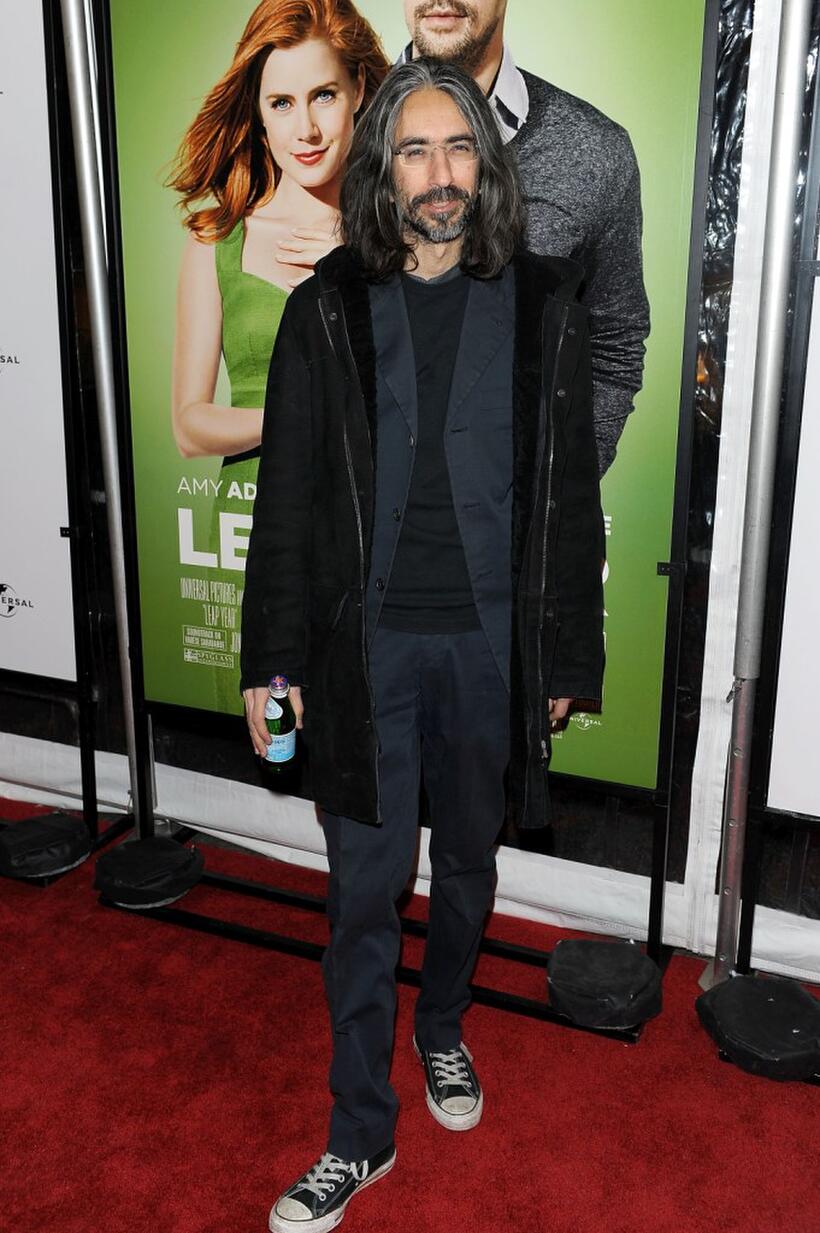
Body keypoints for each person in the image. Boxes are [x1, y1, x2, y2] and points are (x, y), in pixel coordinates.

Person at [241, 56, 605, 1232]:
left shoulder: (548, 305)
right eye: (414, 151)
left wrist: (566, 662)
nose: (440, 176)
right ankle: (358, 1132)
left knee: (464, 874)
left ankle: (442, 1025)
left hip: (488, 655)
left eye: (459, 151)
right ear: (382, 171)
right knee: (359, 893)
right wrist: (270, 663)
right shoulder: (326, 308)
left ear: (484, 168)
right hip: (364, 655)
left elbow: (568, 508)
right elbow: (287, 496)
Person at [167, 0, 389, 711]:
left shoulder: (400, 237)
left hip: (372, 522)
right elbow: (190, 424)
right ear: (258, 116)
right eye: (282, 103)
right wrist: (299, 418)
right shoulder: (217, 238)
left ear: (359, 92)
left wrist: (357, 270)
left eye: (324, 94)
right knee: (280, 746)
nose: (308, 127)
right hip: (253, 530)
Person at [400, 0, 651, 475]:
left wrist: (559, 496)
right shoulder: (330, 132)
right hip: (371, 530)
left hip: (512, 527)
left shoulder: (593, 149)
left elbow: (614, 342)